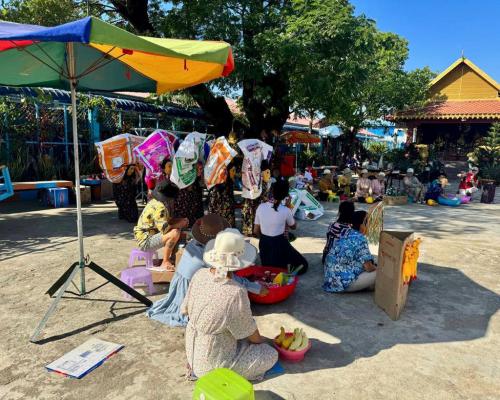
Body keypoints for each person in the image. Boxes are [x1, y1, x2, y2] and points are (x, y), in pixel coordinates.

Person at [182, 228, 278, 381]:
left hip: (192, 349)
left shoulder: (199, 274)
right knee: (269, 354)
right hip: (210, 365)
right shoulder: (236, 292)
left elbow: (185, 309)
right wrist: (260, 343)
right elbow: (251, 334)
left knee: (230, 332)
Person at [147, 215, 267, 327]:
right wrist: (255, 288)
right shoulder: (208, 256)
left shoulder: (193, 243)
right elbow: (228, 277)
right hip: (189, 291)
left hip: (178, 283)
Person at [254, 179, 308, 274]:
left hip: (264, 244)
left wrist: (265, 239)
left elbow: (256, 231)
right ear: (285, 195)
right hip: (279, 243)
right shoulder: (285, 210)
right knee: (303, 265)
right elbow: (294, 226)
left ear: (272, 191)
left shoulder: (261, 207)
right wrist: (288, 208)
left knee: (270, 267)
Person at [133, 181, 189, 271]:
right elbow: (165, 229)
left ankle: (172, 258)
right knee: (174, 233)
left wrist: (180, 220)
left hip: (148, 237)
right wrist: (179, 223)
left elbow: (167, 221)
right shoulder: (160, 207)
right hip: (145, 241)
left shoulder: (156, 202)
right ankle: (165, 261)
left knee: (177, 230)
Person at [323, 210, 376, 293]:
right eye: (369, 224)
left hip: (331, 280)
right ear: (362, 226)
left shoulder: (346, 232)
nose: (371, 227)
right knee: (381, 272)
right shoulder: (360, 239)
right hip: (343, 283)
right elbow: (368, 267)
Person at [241, 160, 272, 236]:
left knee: (250, 213)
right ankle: (255, 231)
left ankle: (248, 231)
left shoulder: (253, 174)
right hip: (257, 200)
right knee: (255, 214)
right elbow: (265, 194)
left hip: (250, 197)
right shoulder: (264, 176)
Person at [174, 161, 205, 228]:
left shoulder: (197, 184)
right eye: (199, 168)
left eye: (201, 168)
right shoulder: (183, 184)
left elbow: (199, 204)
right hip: (183, 221)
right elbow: (180, 207)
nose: (201, 170)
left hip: (194, 221)